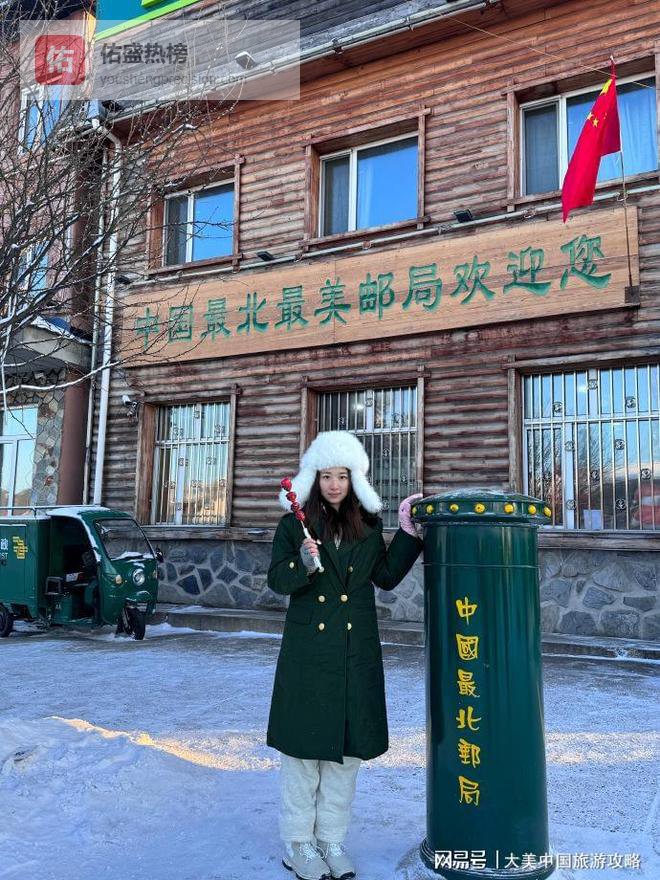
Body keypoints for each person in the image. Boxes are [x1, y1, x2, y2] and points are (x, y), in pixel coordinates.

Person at [266, 430, 423, 880]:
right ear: (313, 479)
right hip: (309, 653)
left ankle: (331, 839)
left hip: (355, 652)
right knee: (303, 753)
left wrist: (407, 534)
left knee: (346, 755)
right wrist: (302, 562)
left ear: (354, 479)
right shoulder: (293, 525)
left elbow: (386, 577)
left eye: (342, 476)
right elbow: (277, 580)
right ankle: (299, 843)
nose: (334, 485)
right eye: (326, 476)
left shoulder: (368, 524)